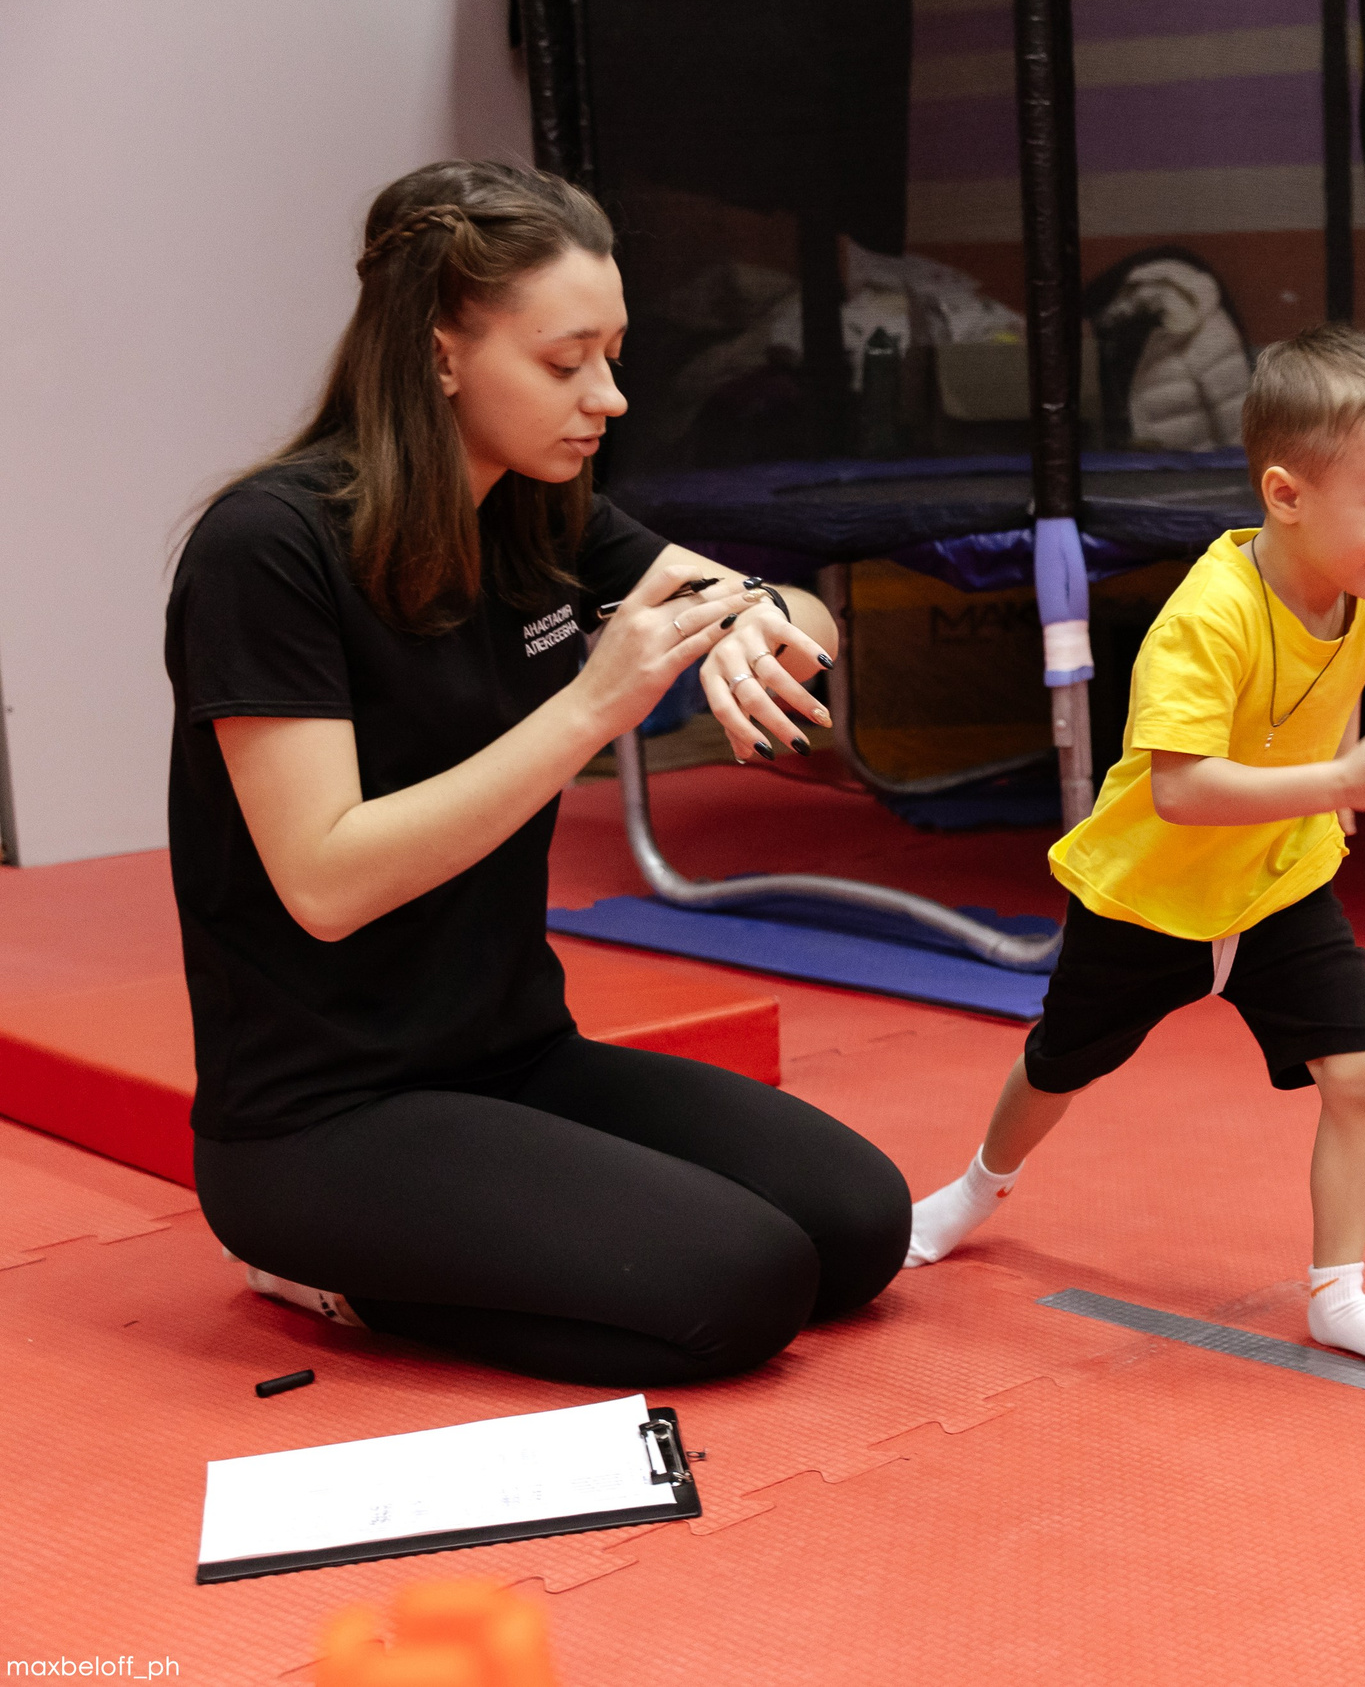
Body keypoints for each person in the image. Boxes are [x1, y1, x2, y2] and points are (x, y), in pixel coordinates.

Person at [166, 160, 909, 1388]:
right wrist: (590, 707)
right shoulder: (268, 549)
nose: (606, 397)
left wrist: (758, 630)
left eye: (611, 358)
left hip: (513, 1059)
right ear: (441, 353)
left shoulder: (538, 511)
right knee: (745, 1289)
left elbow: (782, 605)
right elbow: (326, 880)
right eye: (566, 365)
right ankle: (332, 1275)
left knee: (856, 1221)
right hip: (321, 1117)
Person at [903, 325, 1365, 1367]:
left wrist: (1326, 789)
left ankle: (1337, 1289)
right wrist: (1341, 781)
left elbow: (1339, 690)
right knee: (1060, 1065)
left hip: (1277, 886)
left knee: (1364, 1070)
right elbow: (1183, 791)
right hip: (1147, 895)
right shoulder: (1207, 621)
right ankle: (977, 1187)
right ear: (1285, 496)